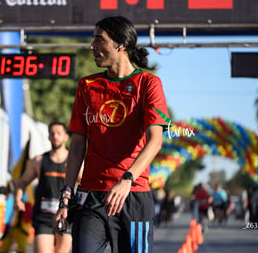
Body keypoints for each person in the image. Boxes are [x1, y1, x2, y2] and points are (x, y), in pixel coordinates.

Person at [53, 16, 170, 253]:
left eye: (100, 40)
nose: (92, 46)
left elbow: (155, 141)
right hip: (91, 197)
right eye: (93, 40)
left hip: (133, 197)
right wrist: (66, 195)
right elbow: (76, 147)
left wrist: (127, 180)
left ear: (121, 43)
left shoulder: (148, 84)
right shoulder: (87, 86)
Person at [14, 122, 72, 253]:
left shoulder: (73, 162)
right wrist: (18, 199)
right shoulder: (39, 161)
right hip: (44, 217)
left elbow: (86, 183)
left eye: (59, 133)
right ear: (49, 137)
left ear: (65, 137)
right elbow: (22, 182)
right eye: (52, 133)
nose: (55, 136)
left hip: (66, 216)